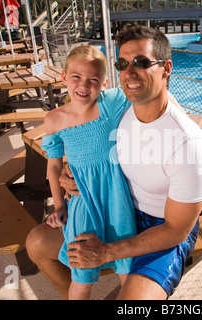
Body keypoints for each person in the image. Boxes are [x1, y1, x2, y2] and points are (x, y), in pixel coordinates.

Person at [26, 24, 202, 299]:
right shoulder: (121, 108)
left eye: (141, 62)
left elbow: (176, 231)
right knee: (37, 243)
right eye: (122, 64)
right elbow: (84, 143)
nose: (130, 72)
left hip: (163, 227)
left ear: (166, 67)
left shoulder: (186, 144)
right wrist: (68, 170)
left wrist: (105, 252)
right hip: (112, 205)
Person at [40, 45, 136, 300]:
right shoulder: (54, 119)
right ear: (63, 77)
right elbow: (53, 164)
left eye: (93, 80)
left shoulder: (110, 104)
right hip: (81, 201)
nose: (84, 86)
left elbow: (146, 91)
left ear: (104, 83)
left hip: (116, 199)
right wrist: (59, 204)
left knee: (127, 268)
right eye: (76, 77)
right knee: (81, 275)